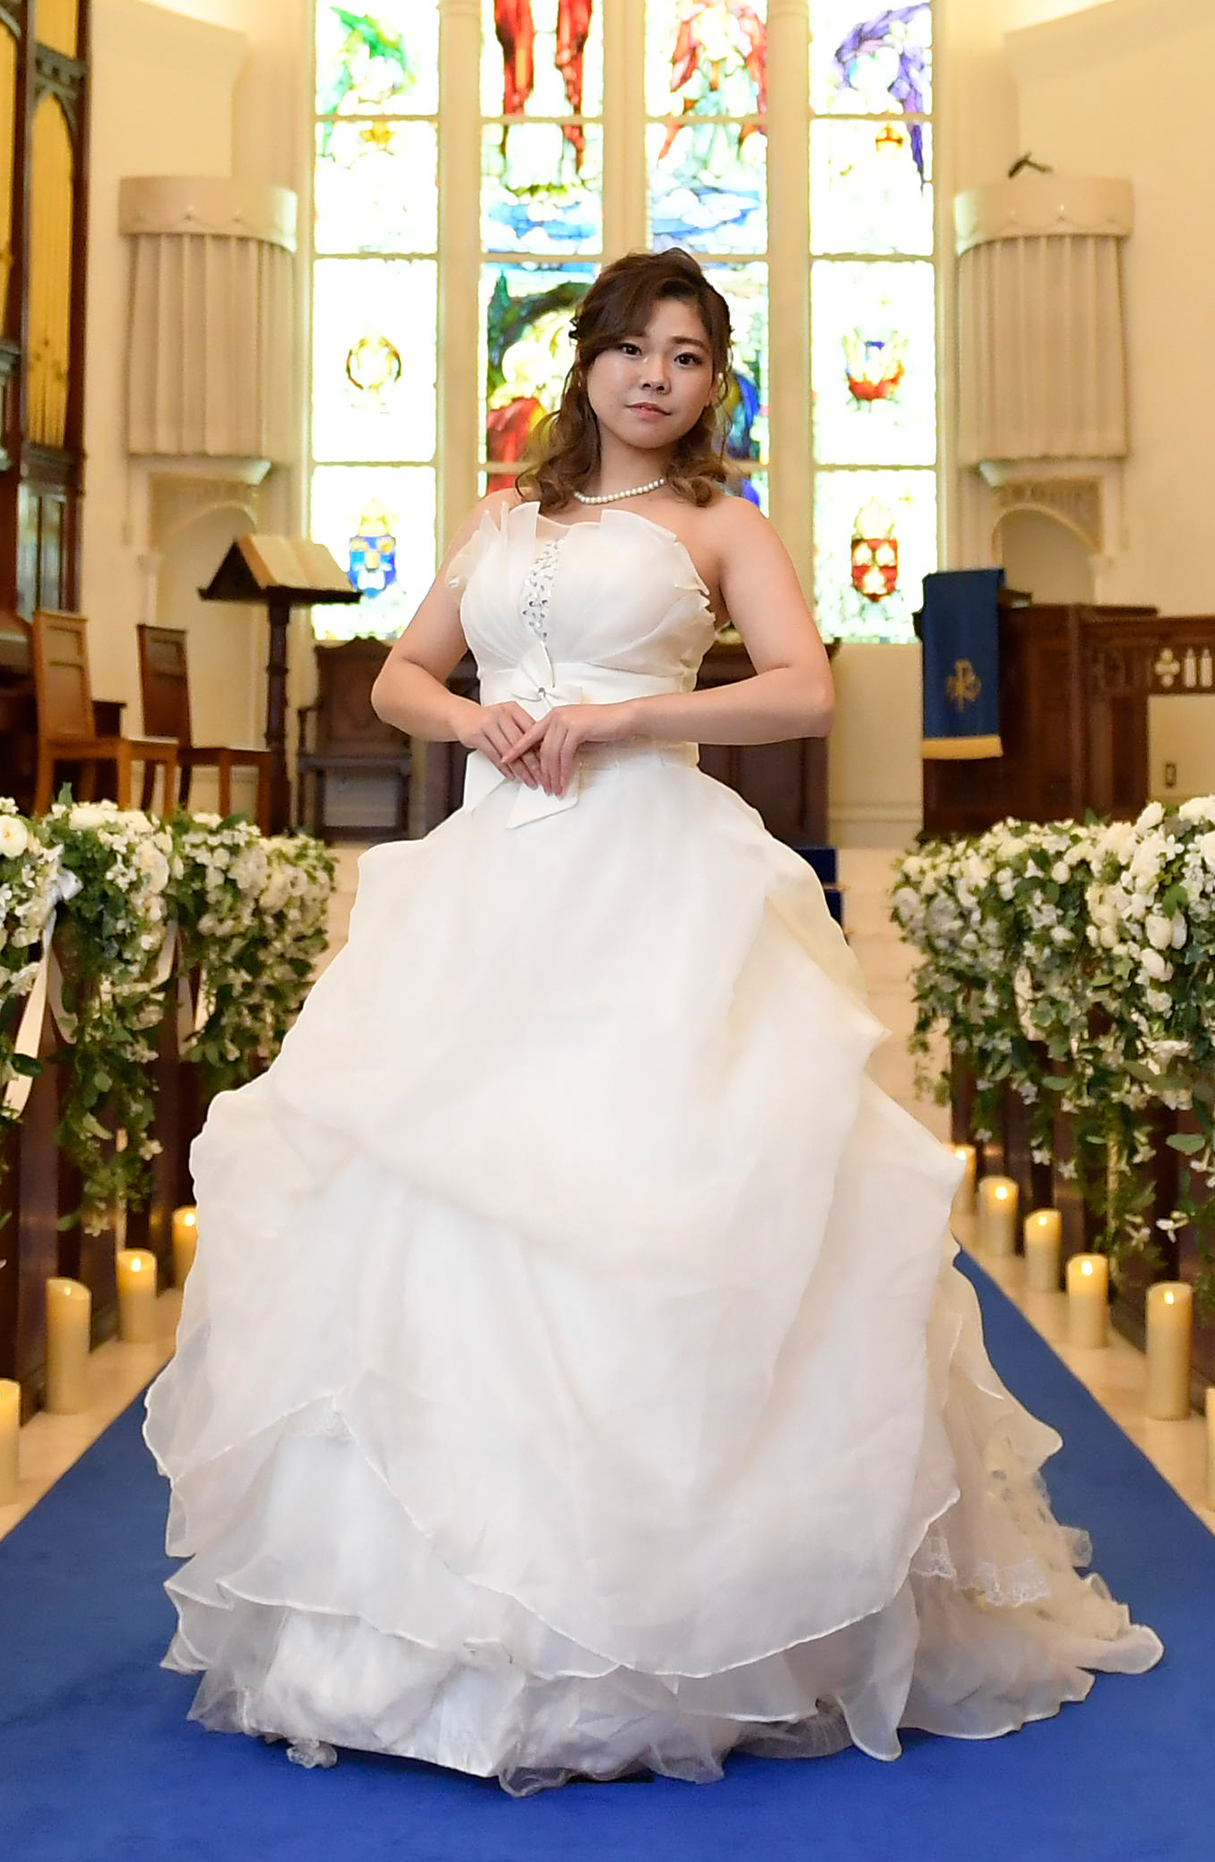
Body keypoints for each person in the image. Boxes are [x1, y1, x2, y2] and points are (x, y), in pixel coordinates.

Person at [143, 248, 1161, 1797]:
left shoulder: (720, 521)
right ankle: (424, 1615)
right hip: (492, 875)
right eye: (633, 349)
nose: (656, 379)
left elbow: (804, 691)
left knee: (654, 1195)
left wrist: (624, 717)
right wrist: (476, 714)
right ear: (588, 361)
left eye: (688, 358)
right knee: (442, 1196)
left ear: (712, 383)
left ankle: (688, 1615)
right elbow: (407, 677)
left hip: (656, 875)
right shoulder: (506, 516)